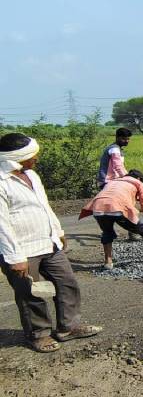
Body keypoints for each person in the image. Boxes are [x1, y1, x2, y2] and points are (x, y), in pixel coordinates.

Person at [0, 133, 102, 353]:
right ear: (17, 157)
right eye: (32, 155)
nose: (36, 158)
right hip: (21, 250)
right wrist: (15, 258)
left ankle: (68, 327)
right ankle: (38, 335)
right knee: (30, 294)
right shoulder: (1, 181)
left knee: (67, 283)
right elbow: (1, 224)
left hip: (48, 243)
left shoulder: (32, 175)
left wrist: (58, 231)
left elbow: (44, 206)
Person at [80, 169, 143, 269]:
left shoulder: (114, 181)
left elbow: (115, 197)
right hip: (117, 207)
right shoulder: (138, 183)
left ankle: (108, 262)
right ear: (139, 178)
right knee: (142, 229)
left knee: (107, 232)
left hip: (98, 208)